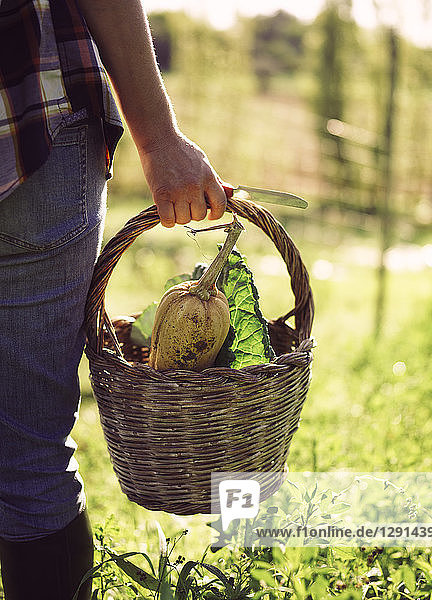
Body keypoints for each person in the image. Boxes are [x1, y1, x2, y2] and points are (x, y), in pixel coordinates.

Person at [0, 1, 227, 598]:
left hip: (29, 136)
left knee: (27, 456)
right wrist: (158, 138)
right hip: (31, 123)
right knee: (28, 452)